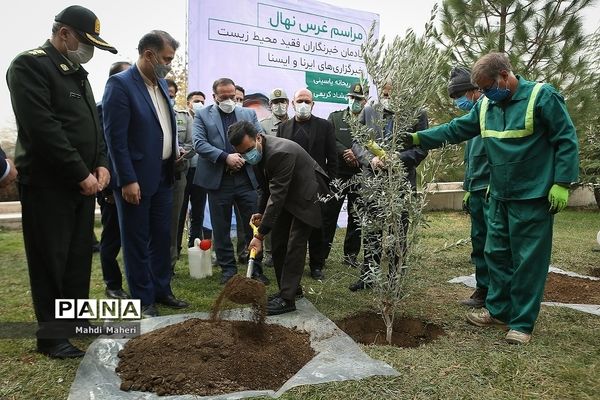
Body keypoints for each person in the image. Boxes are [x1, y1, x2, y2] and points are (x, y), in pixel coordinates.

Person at [407, 52, 579, 344]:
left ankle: (522, 323)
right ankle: (498, 310)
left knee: (527, 260)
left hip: (533, 194)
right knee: (496, 253)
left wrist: (562, 182)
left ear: (504, 76)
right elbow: (457, 129)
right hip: (498, 193)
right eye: (482, 90)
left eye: (488, 87)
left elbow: (565, 138)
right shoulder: (487, 104)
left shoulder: (542, 96)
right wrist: (418, 138)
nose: (484, 94)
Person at [6, 5, 116, 358]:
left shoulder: (76, 72)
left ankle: (72, 322)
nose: (89, 51)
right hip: (49, 184)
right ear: (63, 33)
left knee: (77, 258)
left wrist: (100, 164)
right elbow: (43, 129)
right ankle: (52, 338)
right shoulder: (31, 65)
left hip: (84, 184)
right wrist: (79, 172)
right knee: (50, 259)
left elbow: (92, 126)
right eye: (85, 42)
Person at [103, 30, 189, 318]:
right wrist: (126, 179)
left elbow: (164, 124)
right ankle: (143, 299)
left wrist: (173, 149)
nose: (169, 65)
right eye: (166, 59)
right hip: (135, 180)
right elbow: (116, 138)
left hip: (164, 176)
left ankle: (161, 289)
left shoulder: (161, 84)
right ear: (148, 55)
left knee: (161, 238)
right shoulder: (121, 85)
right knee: (137, 241)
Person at [229, 121, 328, 315]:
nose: (247, 156)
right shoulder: (257, 155)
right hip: (289, 193)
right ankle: (290, 288)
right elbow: (265, 189)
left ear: (258, 137)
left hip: (309, 194)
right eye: (242, 153)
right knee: (279, 240)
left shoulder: (279, 152)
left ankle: (287, 299)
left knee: (294, 244)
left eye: (249, 150)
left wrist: (260, 235)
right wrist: (261, 213)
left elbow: (277, 195)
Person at [349, 82, 429, 292]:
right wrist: (369, 160)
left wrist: (398, 158)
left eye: (390, 93)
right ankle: (368, 276)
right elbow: (357, 142)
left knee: (397, 232)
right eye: (383, 93)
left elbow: (422, 149)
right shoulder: (369, 111)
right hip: (373, 181)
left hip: (400, 183)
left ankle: (395, 280)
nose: (387, 96)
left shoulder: (417, 113)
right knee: (371, 231)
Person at [193, 77, 268, 285]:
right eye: (223, 97)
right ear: (214, 96)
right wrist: (225, 157)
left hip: (246, 179)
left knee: (254, 225)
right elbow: (199, 143)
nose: (228, 100)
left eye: (232, 96)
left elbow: (259, 139)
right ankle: (228, 270)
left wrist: (242, 158)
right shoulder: (202, 115)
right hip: (219, 181)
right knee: (221, 226)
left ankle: (256, 268)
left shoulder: (248, 113)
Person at [277, 88, 337, 280]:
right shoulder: (283, 128)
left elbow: (332, 158)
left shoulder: (325, 126)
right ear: (293, 104)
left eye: (307, 101)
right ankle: (292, 263)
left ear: (313, 104)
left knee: (317, 227)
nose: (303, 105)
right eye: (300, 101)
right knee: (291, 227)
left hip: (317, 185)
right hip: (291, 185)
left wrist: (332, 184)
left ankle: (316, 265)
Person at [447, 66, 489, 308]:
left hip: (491, 191)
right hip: (476, 189)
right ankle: (482, 289)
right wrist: (468, 188)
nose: (457, 102)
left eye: (459, 96)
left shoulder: (490, 113)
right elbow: (473, 160)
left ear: (474, 90)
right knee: (479, 241)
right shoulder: (473, 120)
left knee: (493, 245)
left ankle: (495, 293)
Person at [97, 61, 132, 300]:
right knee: (112, 237)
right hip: (111, 185)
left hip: (135, 182)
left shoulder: (134, 107)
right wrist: (109, 187)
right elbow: (104, 148)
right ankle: (113, 284)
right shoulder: (101, 108)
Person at [322, 83, 367, 268]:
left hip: (361, 173)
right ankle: (321, 256)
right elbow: (329, 139)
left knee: (355, 216)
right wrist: (345, 152)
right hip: (338, 173)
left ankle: (350, 256)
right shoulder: (335, 117)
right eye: (352, 97)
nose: (354, 101)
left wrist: (357, 153)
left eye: (358, 98)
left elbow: (376, 141)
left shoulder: (371, 119)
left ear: (365, 101)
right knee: (329, 216)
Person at [177, 91, 212, 256]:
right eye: (197, 100)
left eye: (202, 101)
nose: (200, 103)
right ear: (189, 102)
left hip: (200, 171)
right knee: (180, 211)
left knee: (198, 212)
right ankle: (175, 247)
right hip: (183, 170)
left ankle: (195, 246)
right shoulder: (180, 117)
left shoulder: (207, 120)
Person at [259, 87, 291, 268]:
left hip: (291, 177)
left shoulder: (296, 122)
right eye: (276, 103)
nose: (280, 105)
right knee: (270, 213)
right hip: (271, 178)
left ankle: (288, 250)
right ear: (270, 106)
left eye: (282, 102)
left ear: (288, 104)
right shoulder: (263, 125)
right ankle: (270, 253)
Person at [166, 78, 195, 274]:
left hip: (177, 174)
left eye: (172, 96)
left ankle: (169, 264)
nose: (170, 99)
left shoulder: (184, 117)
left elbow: (192, 144)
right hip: (151, 175)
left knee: (174, 220)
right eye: (166, 94)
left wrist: (180, 154)